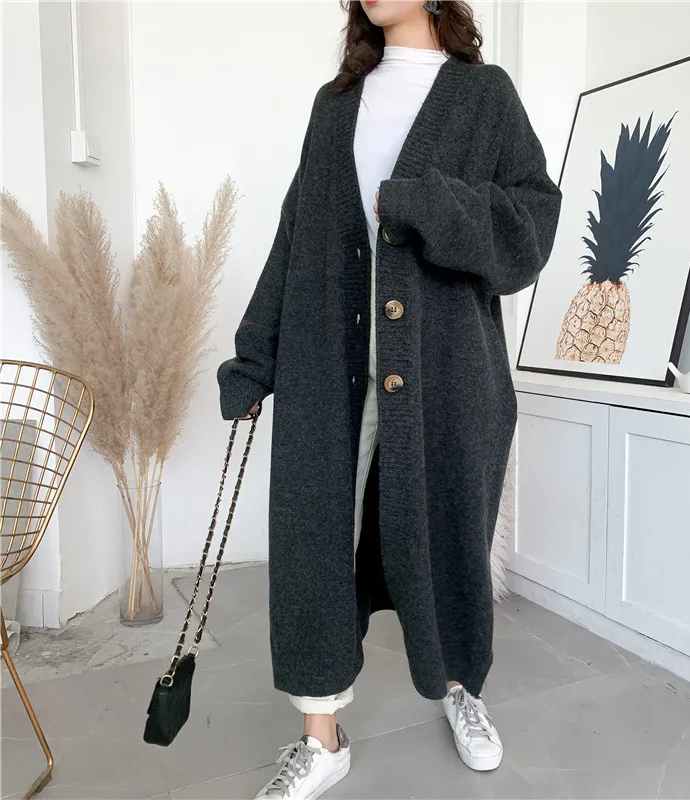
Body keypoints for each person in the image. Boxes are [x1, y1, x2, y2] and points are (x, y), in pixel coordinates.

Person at [217, 1, 561, 797]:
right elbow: (296, 233)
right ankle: (321, 736)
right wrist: (256, 356)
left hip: (448, 372)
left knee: (447, 537)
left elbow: (531, 225)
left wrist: (430, 205)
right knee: (315, 541)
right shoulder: (335, 104)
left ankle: (460, 690)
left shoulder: (485, 95)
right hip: (327, 368)